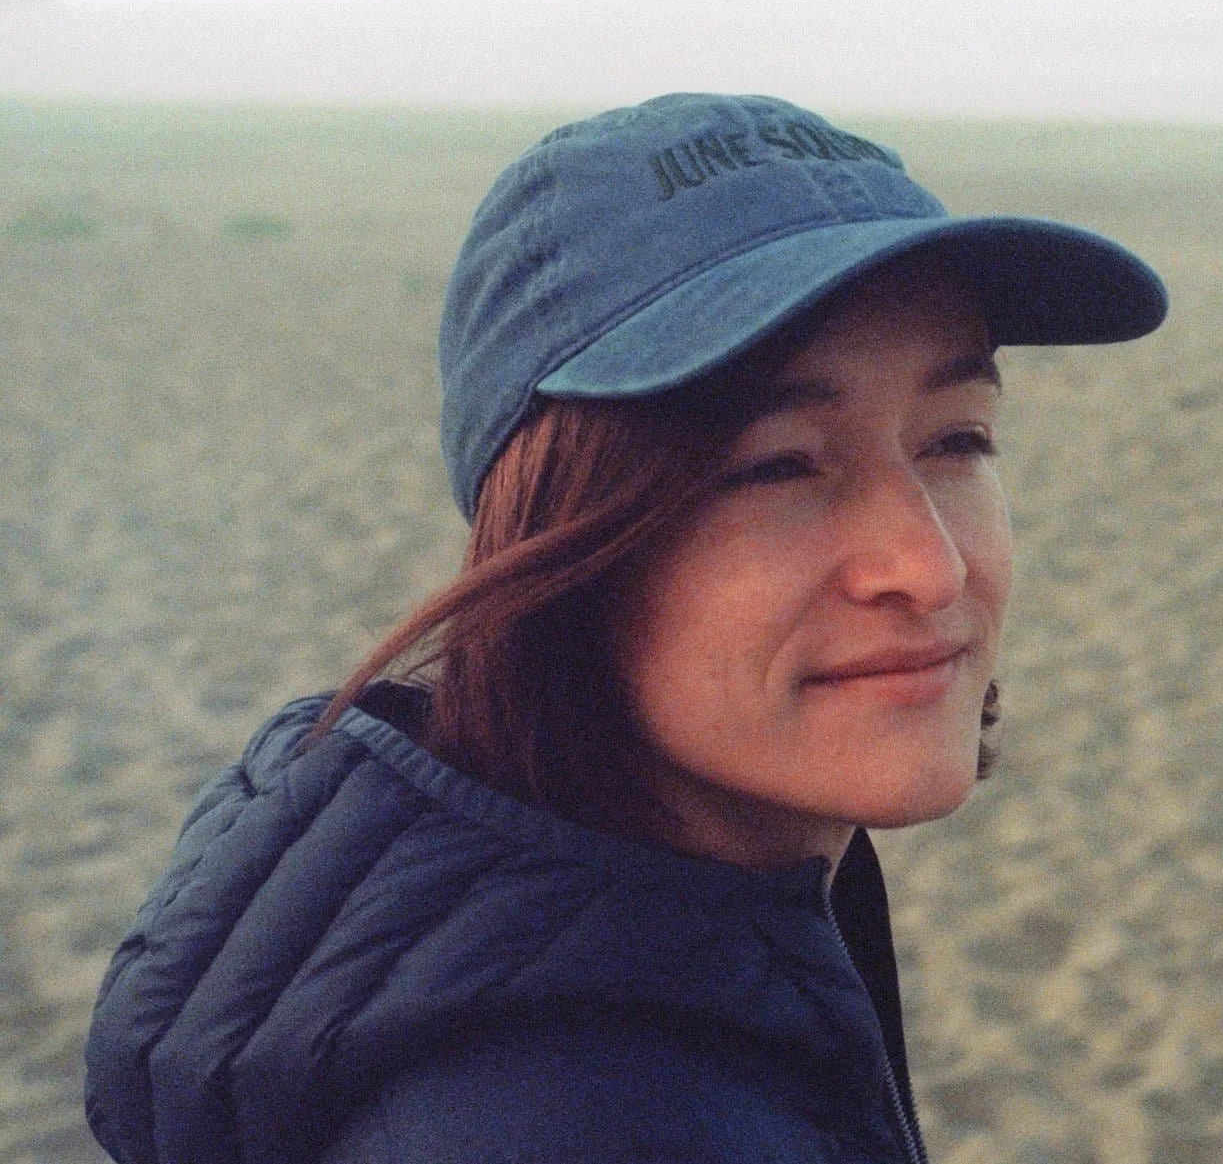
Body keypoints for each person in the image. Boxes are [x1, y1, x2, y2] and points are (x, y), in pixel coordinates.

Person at [84, 93, 1166, 1164]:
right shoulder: (566, 1119)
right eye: (776, 463)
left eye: (957, 440)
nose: (928, 566)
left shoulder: (719, 904)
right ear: (558, 548)